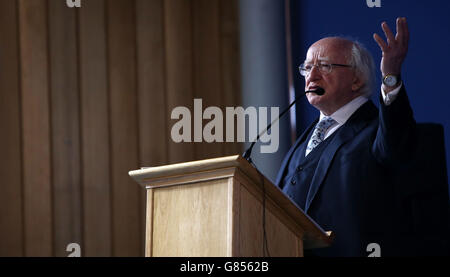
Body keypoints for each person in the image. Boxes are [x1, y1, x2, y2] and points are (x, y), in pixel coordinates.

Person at [275, 18, 449, 256]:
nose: (311, 75)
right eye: (307, 67)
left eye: (324, 66)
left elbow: (396, 142)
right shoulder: (303, 142)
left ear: (356, 80)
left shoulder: (378, 131)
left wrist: (391, 77)